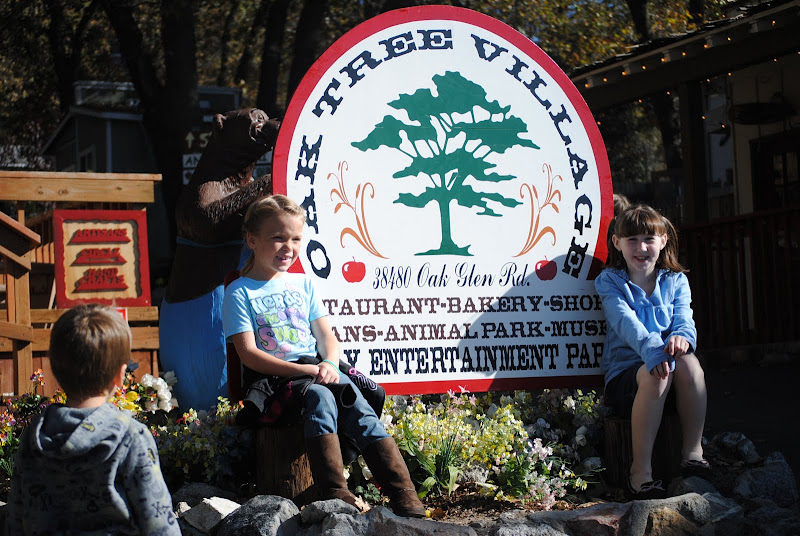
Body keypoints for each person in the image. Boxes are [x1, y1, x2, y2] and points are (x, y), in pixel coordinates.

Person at [222, 195, 426, 518]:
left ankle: (403, 492)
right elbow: (249, 354)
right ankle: (334, 490)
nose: (288, 247)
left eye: (295, 239)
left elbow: (327, 337)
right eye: (278, 237)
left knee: (353, 397)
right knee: (321, 397)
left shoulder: (303, 284)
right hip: (273, 381)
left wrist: (329, 362)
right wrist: (303, 372)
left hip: (314, 369)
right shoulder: (239, 291)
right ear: (252, 240)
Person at [6, 304, 180, 535]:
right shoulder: (129, 436)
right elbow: (159, 522)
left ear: (54, 371)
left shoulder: (34, 436)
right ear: (120, 375)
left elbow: (16, 519)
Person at [595, 204, 709, 498]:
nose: (641, 247)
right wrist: (655, 351)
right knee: (658, 374)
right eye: (632, 240)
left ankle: (693, 453)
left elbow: (684, 319)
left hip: (670, 374)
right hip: (627, 379)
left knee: (691, 365)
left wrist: (682, 338)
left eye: (649, 239)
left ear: (663, 241)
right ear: (617, 242)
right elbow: (626, 322)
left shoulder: (675, 280)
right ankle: (640, 473)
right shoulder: (610, 281)